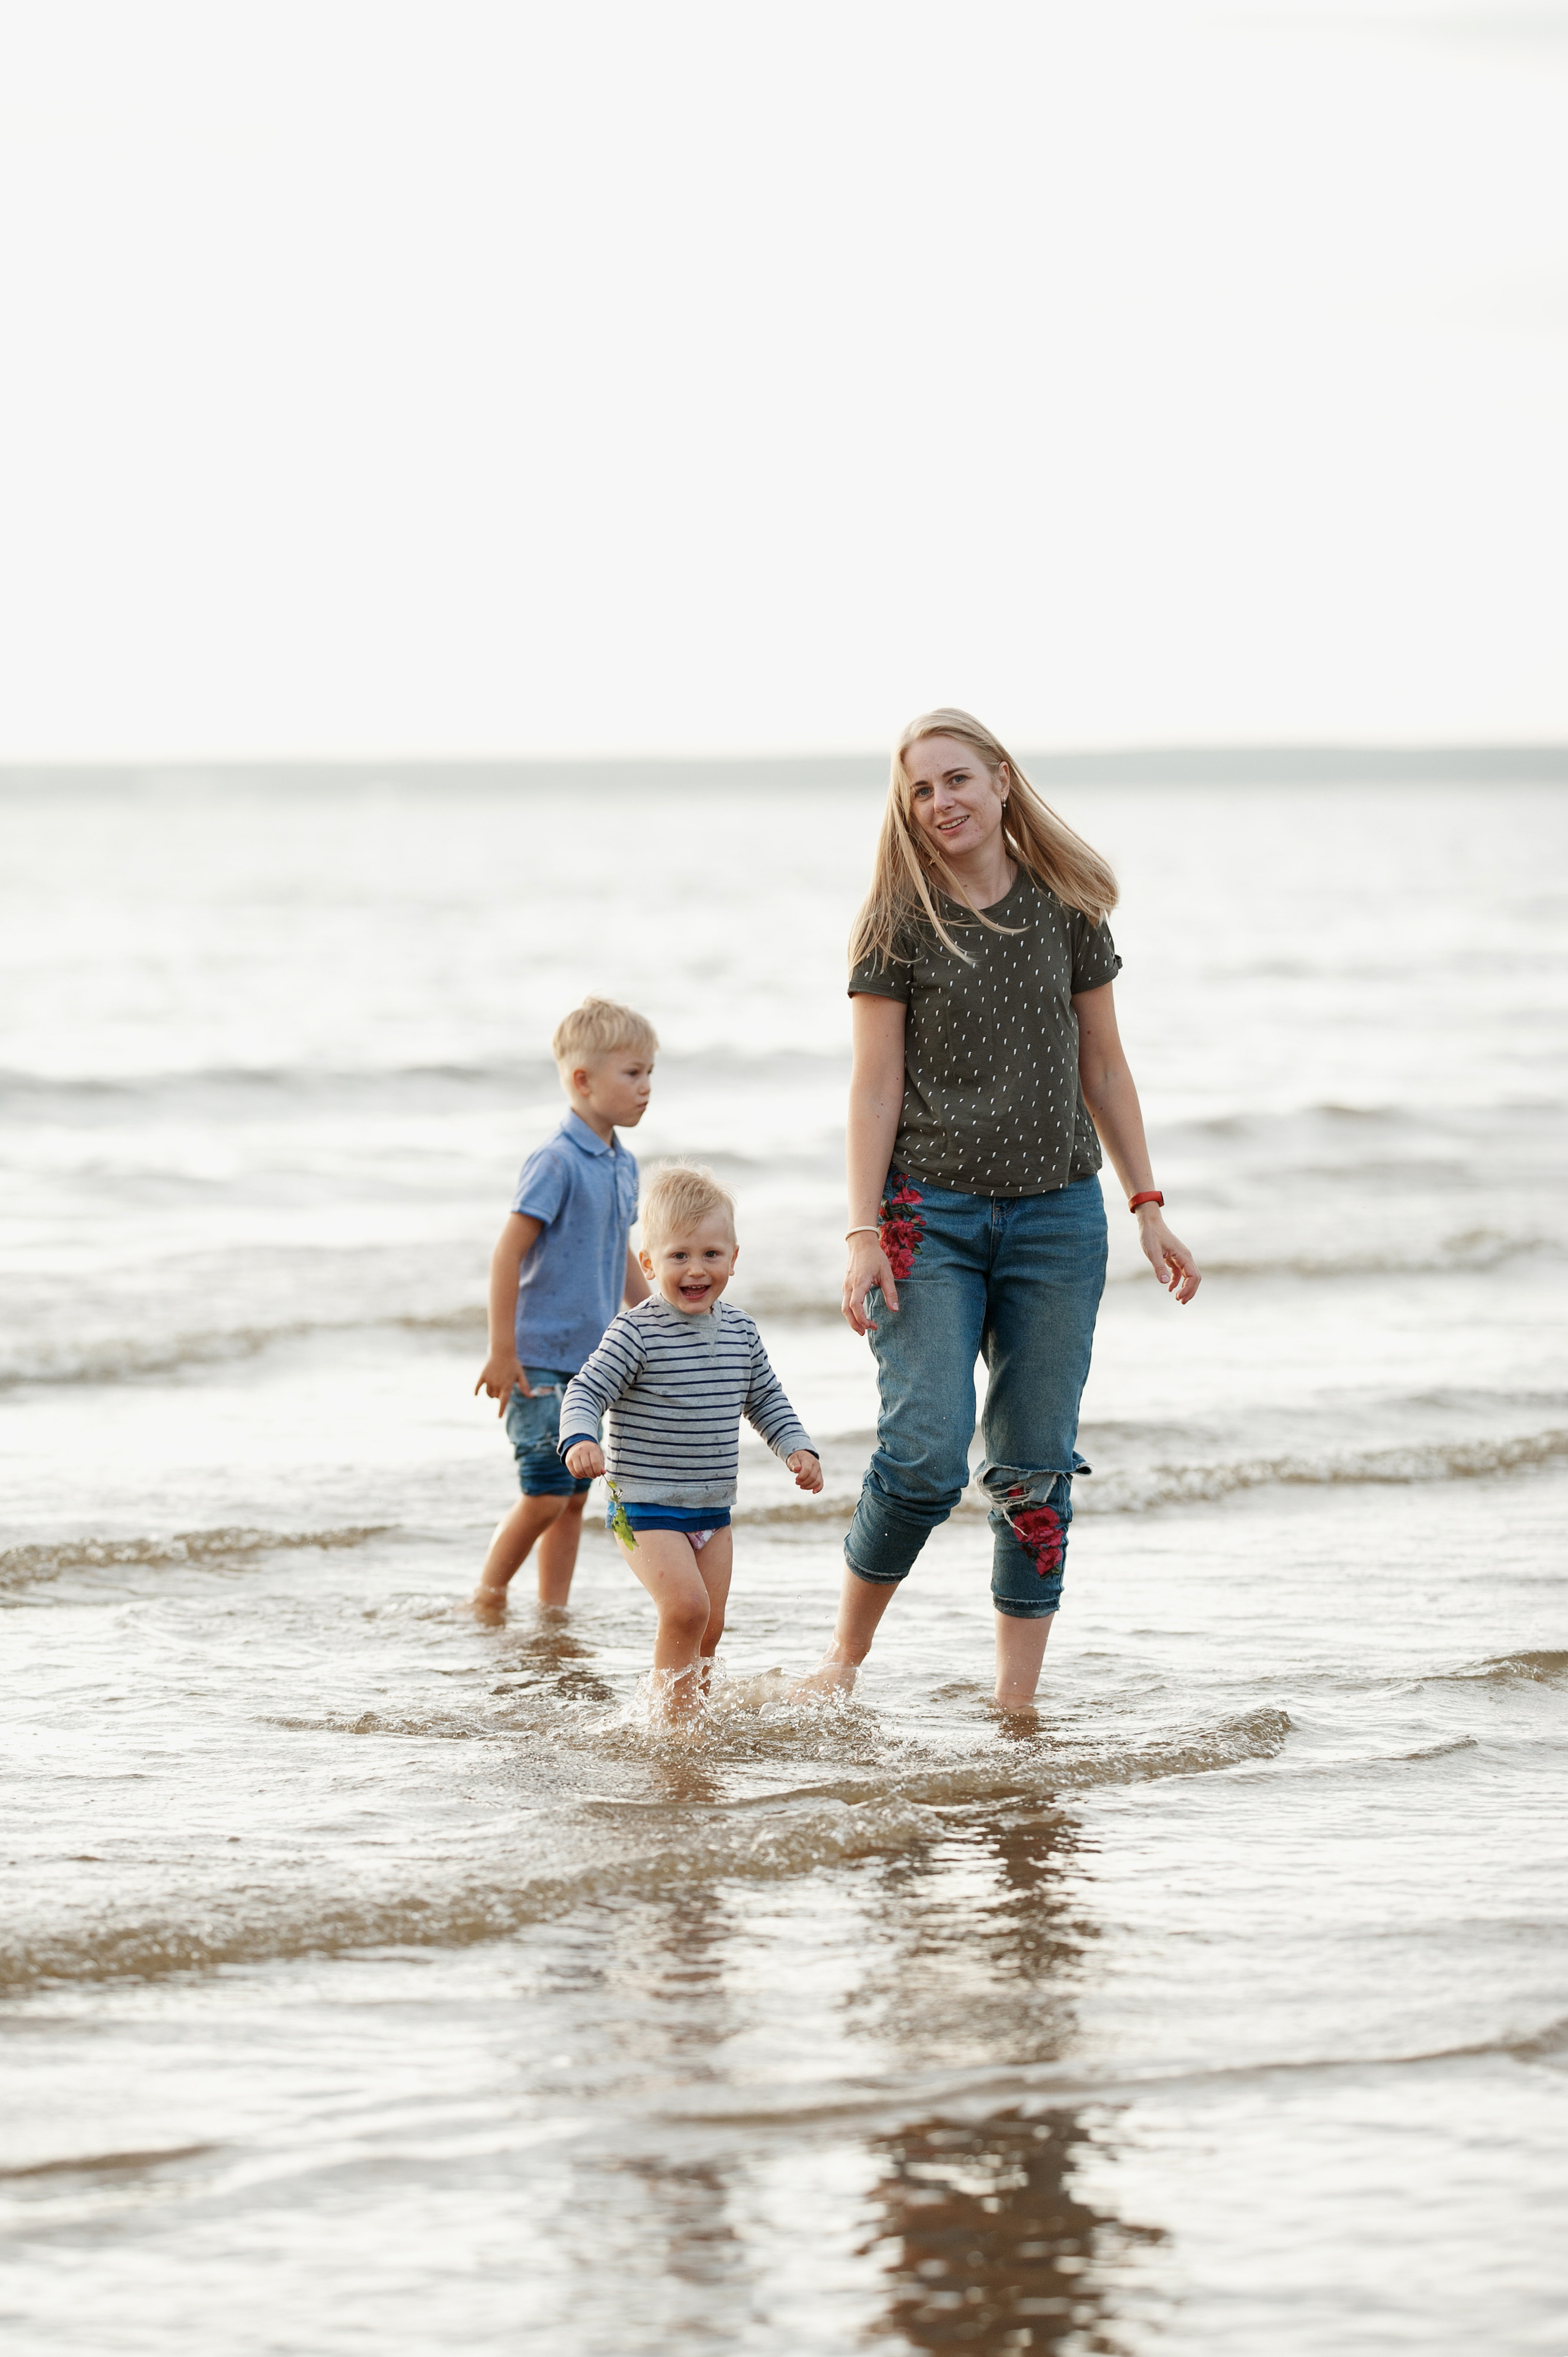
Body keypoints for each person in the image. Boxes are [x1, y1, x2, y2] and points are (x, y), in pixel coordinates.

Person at [804, 707, 1200, 1711]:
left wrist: (1147, 1203)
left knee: (1032, 1471)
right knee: (926, 1454)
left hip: (1059, 1218)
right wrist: (861, 1231)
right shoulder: (897, 923)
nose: (941, 803)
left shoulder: (1068, 909)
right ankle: (840, 1666)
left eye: (956, 780)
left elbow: (1104, 1067)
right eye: (921, 790)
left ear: (1001, 779)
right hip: (922, 1219)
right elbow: (873, 1088)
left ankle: (1015, 1708)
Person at [559, 1164, 822, 1712]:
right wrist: (580, 1440)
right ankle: (669, 1727)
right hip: (645, 1509)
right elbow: (584, 1391)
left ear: (733, 1258)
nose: (696, 1269)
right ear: (649, 1263)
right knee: (685, 1609)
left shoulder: (740, 1331)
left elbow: (767, 1400)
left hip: (711, 1511)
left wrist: (798, 1447)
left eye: (710, 1254)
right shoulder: (636, 1332)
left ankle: (690, 1716)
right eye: (679, 1256)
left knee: (711, 1624)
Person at [472, 997, 656, 1613]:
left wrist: (658, 1317)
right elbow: (507, 1253)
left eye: (649, 1072)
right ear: (583, 1080)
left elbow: (619, 1252)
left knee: (576, 1491)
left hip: (591, 1362)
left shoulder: (621, 1163)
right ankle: (488, 1593)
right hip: (538, 1359)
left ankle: (553, 1610)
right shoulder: (556, 1161)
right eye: (632, 1074)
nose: (646, 1087)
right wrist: (503, 1349)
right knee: (546, 1490)